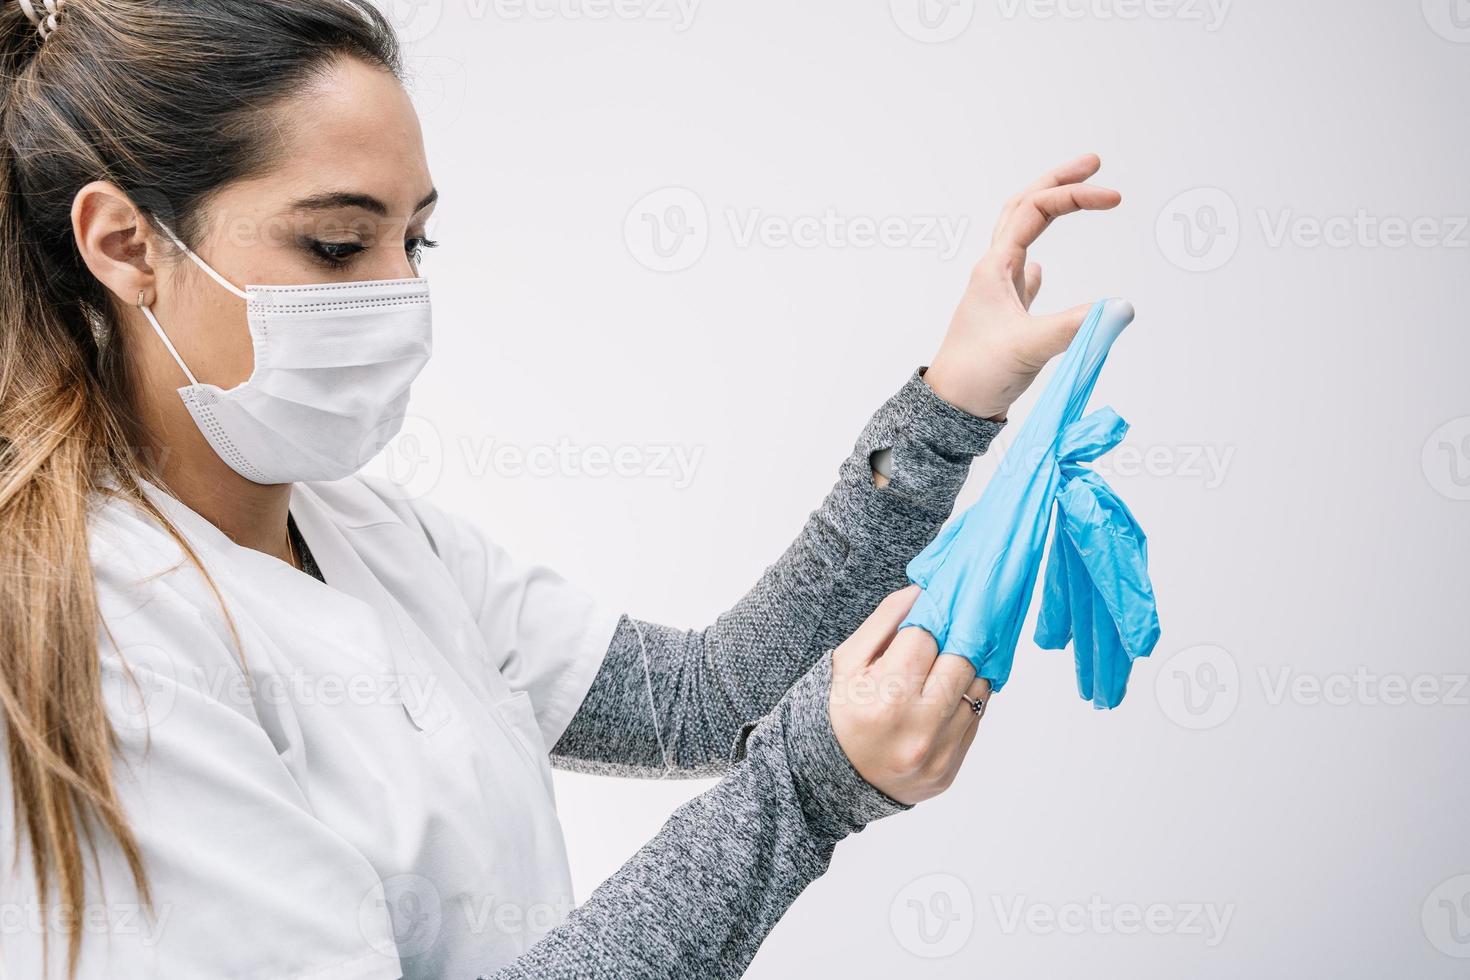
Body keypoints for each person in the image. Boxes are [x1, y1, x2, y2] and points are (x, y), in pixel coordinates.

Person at [0, 2, 1122, 977]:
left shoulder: (366, 532)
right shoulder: (103, 644)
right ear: (124, 242)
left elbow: (707, 699)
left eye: (417, 241)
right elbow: (762, 747)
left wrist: (947, 410)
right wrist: (808, 791)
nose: (401, 295)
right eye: (340, 245)